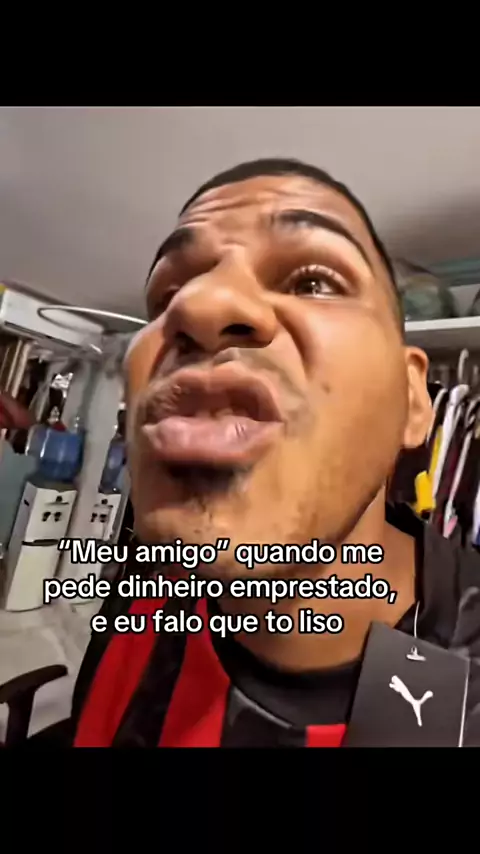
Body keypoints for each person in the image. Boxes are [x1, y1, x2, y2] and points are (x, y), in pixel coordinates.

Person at [70, 158, 480, 747]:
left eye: (313, 282)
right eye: (168, 293)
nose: (198, 305)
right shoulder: (144, 582)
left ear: (413, 398)